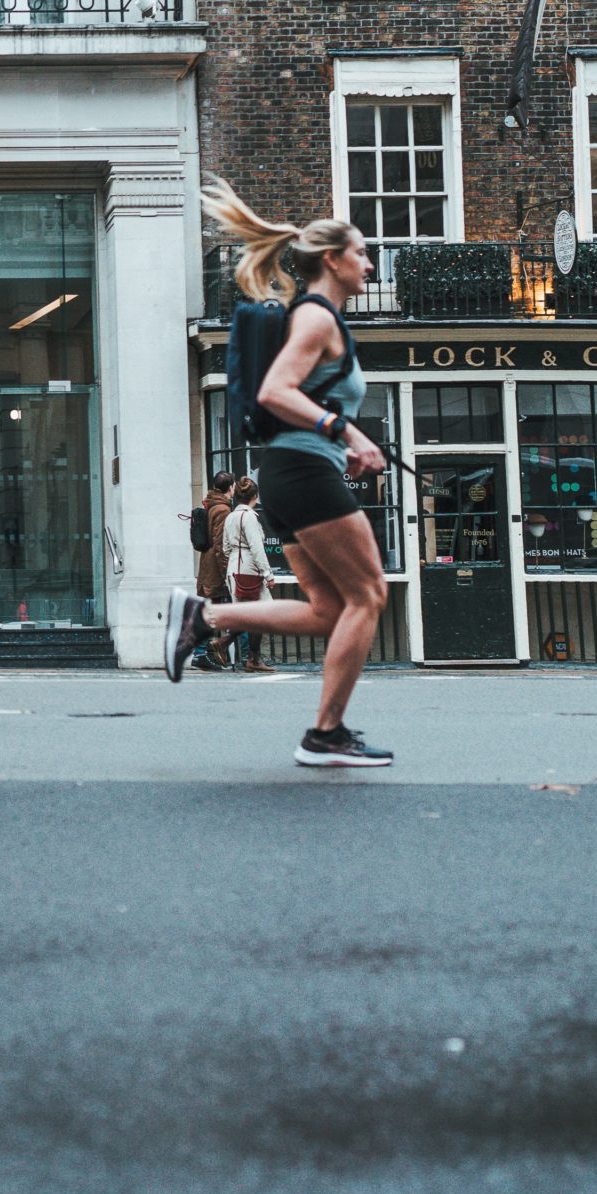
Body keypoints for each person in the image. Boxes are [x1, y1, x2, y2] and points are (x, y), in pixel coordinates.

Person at [166, 179, 393, 768]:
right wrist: (347, 433)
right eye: (362, 252)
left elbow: (295, 400)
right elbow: (276, 390)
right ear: (332, 260)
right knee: (369, 593)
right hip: (301, 471)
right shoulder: (316, 318)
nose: (369, 262)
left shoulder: (319, 318)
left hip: (291, 472)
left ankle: (204, 617)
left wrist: (333, 440)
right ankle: (325, 733)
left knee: (329, 609)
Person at [223, 475, 275, 673]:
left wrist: (236, 560)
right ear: (255, 495)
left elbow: (225, 547)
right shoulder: (250, 517)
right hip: (249, 569)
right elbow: (256, 548)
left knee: (248, 614)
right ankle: (251, 657)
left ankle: (247, 654)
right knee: (262, 613)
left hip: (234, 569)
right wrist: (267, 573)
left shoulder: (230, 516)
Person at [191, 471, 237, 671]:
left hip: (207, 565)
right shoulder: (223, 510)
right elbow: (220, 545)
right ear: (231, 487)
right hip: (215, 569)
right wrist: (227, 572)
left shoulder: (211, 504)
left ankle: (205, 652)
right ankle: (200, 653)